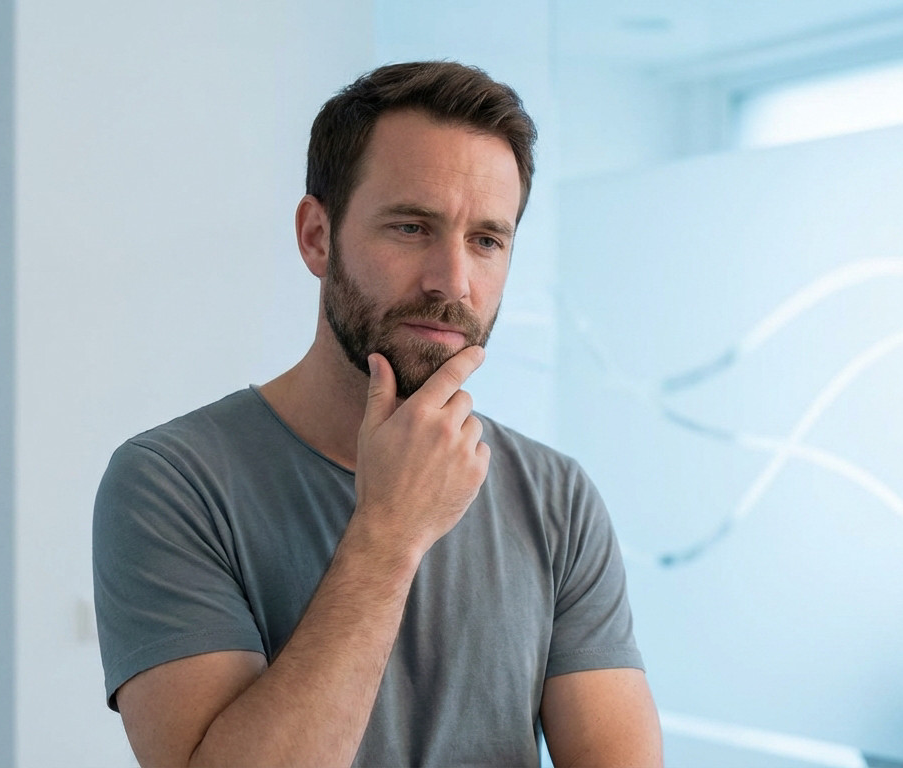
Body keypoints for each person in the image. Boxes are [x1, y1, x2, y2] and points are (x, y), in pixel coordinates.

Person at [92, 61, 662, 767]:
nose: (452, 282)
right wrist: (390, 534)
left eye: (487, 240)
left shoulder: (557, 499)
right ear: (317, 237)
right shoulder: (171, 484)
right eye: (412, 227)